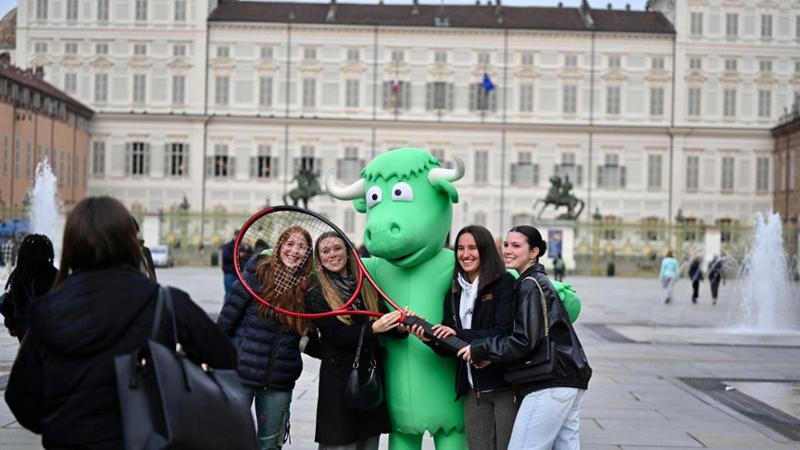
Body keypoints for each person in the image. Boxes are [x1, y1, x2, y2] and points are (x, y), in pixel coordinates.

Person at [4, 196, 236, 450]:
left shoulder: (47, 311)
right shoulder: (166, 303)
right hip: (147, 439)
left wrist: (62, 425)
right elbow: (225, 356)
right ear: (129, 241)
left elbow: (20, 398)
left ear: (71, 245)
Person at [457, 225, 591, 450]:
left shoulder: (529, 285)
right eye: (507, 245)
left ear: (534, 252)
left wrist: (481, 349)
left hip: (550, 381)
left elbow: (524, 341)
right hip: (569, 377)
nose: (508, 251)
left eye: (517, 246)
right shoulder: (536, 281)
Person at [410, 225, 516, 450]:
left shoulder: (504, 283)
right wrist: (431, 338)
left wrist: (458, 334)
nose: (465, 254)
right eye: (460, 248)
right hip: (471, 391)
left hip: (503, 388)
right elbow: (452, 344)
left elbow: (503, 332)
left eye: (472, 248)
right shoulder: (454, 292)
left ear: (485, 250)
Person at [217, 225, 315, 450]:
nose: (294, 251)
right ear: (279, 246)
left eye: (302, 247)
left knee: (270, 446)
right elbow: (227, 319)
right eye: (290, 244)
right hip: (241, 373)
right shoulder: (256, 273)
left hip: (278, 381)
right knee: (231, 441)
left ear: (308, 254)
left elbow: (316, 336)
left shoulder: (309, 288)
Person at [305, 231, 401, 450]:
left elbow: (384, 321)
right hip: (339, 380)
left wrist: (401, 326)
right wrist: (372, 329)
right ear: (319, 259)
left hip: (369, 376)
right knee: (341, 442)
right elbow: (337, 335)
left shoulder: (365, 284)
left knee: (368, 441)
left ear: (348, 252)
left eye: (337, 248)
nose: (333, 255)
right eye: (325, 251)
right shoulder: (316, 294)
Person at [0, 234, 58, 342]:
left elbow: (8, 302)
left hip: (23, 328)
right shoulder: (52, 274)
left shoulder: (18, 273)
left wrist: (13, 323)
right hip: (47, 330)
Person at [221, 230, 238, 297]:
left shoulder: (241, 246)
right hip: (230, 273)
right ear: (234, 236)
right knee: (229, 294)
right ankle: (226, 307)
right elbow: (226, 257)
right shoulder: (228, 246)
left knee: (234, 295)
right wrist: (237, 255)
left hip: (236, 273)